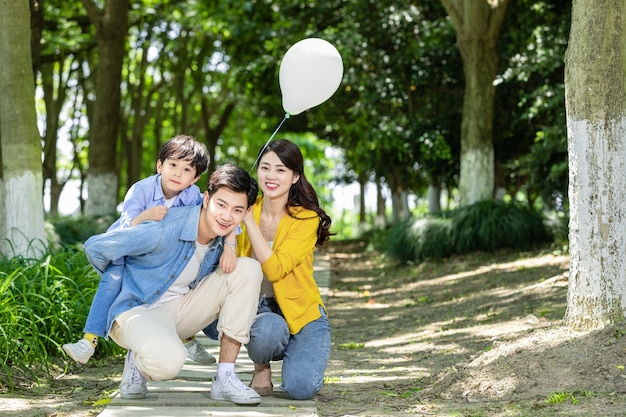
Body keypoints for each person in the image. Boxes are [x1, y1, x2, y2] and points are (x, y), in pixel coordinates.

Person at [83, 163, 263, 405]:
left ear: (246, 211)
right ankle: (136, 358)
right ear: (206, 198)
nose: (226, 216)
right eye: (221, 205)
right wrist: (118, 280)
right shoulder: (164, 227)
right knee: (169, 364)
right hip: (136, 311)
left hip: (180, 311)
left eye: (237, 210)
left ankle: (225, 377)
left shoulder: (223, 238)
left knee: (248, 268)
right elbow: (96, 247)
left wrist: (230, 247)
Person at [62, 134, 236, 365]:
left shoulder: (193, 196)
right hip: (127, 248)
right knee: (112, 280)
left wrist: (230, 247)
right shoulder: (142, 189)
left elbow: (216, 220)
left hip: (162, 254)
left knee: (191, 271)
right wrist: (146, 216)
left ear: (195, 178)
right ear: (159, 165)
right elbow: (126, 225)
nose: (177, 173)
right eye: (173, 165)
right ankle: (89, 339)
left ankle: (187, 337)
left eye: (186, 170)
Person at [205, 139, 333, 400]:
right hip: (259, 311)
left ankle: (296, 351)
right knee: (268, 331)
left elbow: (275, 271)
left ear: (295, 176)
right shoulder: (242, 206)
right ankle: (261, 367)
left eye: (281, 170)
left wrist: (249, 221)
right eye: (265, 168)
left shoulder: (306, 218)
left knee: (300, 388)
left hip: (301, 313)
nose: (271, 176)